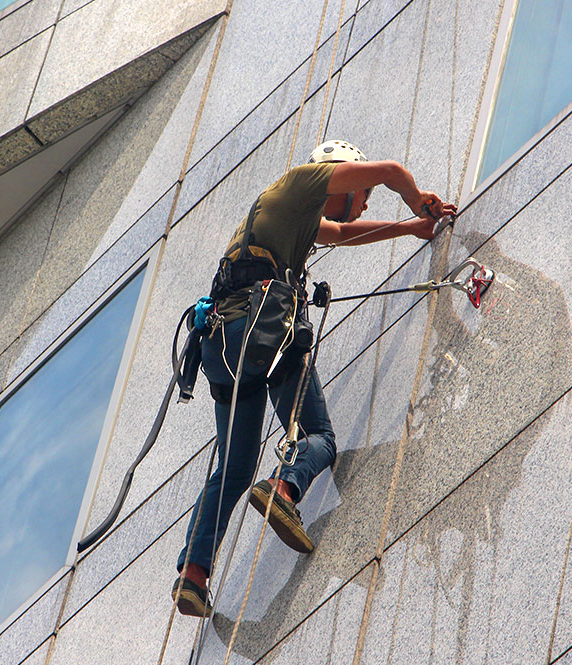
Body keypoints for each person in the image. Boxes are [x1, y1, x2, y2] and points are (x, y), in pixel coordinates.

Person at [172, 140, 458, 617]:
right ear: (341, 176)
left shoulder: (288, 216)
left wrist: (408, 229)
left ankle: (193, 574)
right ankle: (284, 489)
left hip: (221, 345)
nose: (363, 201)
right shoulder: (301, 181)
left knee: (234, 468)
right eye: (361, 192)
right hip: (263, 330)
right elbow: (389, 169)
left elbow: (342, 233)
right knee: (319, 437)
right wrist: (417, 199)